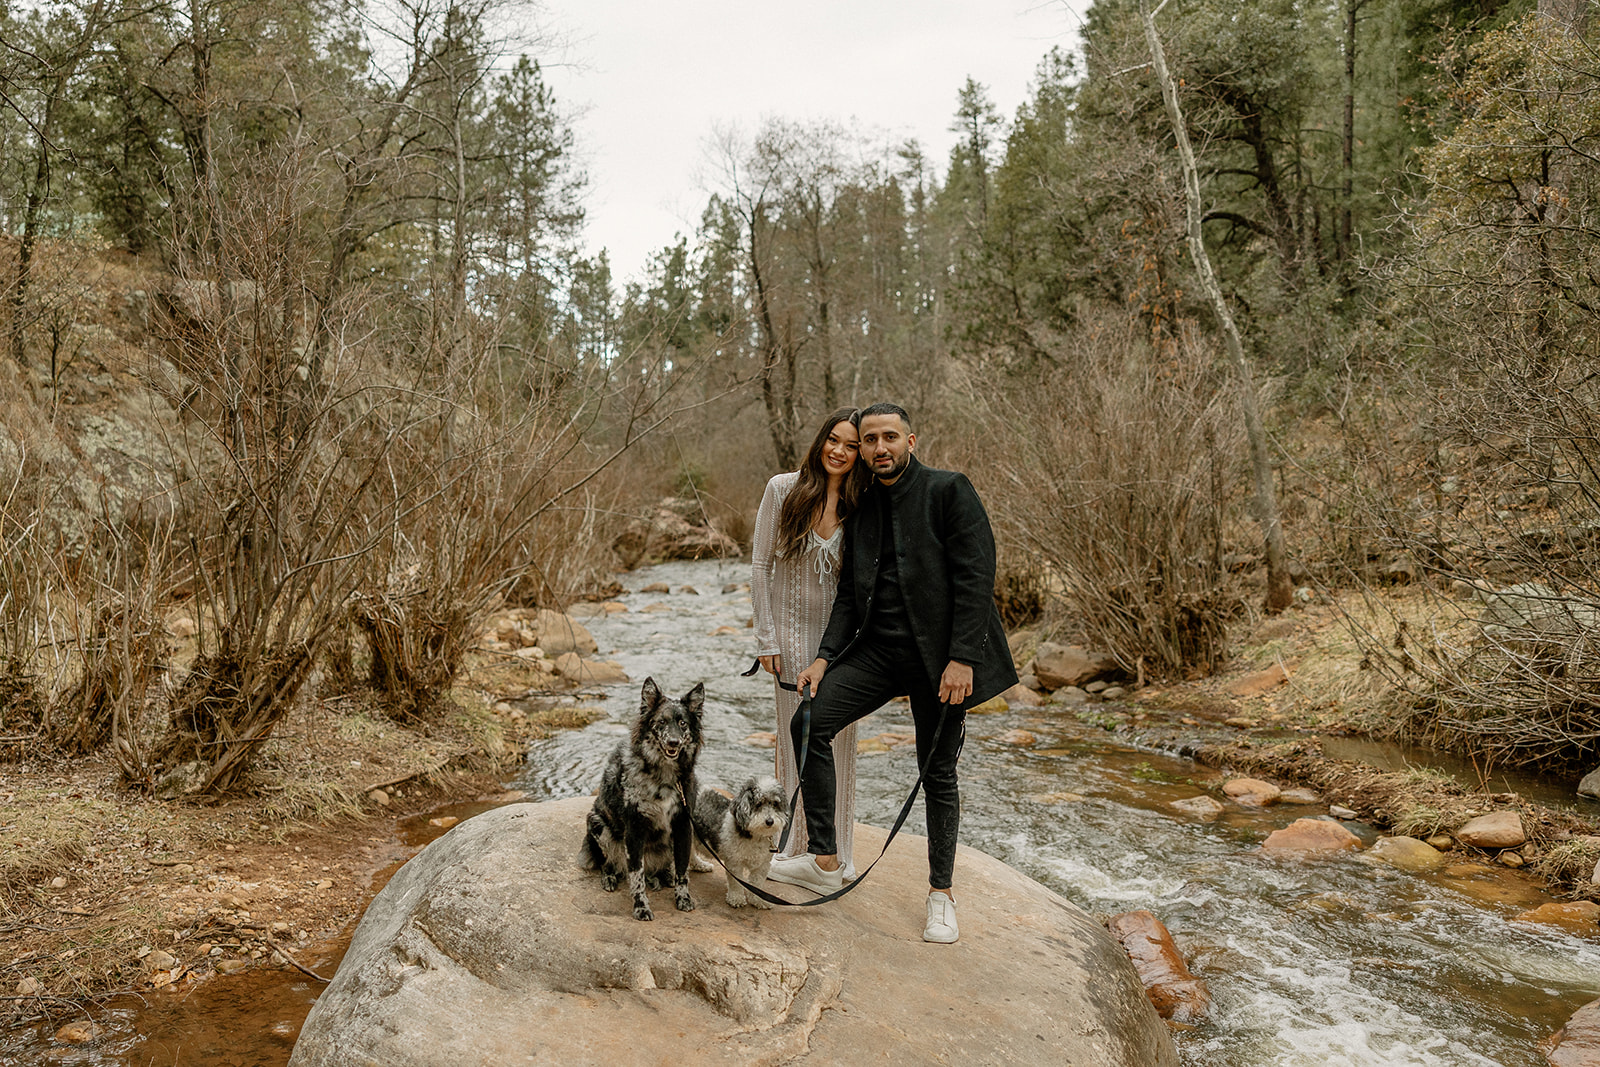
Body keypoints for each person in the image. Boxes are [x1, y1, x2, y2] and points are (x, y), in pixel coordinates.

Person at [768, 401, 1017, 944]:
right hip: (879, 654)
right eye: (870, 440)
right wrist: (823, 658)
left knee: (939, 772)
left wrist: (963, 659)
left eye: (889, 438)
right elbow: (848, 599)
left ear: (911, 441)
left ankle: (941, 896)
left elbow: (977, 579)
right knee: (809, 720)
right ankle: (825, 860)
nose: (879, 448)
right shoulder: (864, 508)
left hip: (940, 660)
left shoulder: (950, 491)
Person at [751, 408, 869, 879]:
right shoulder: (783, 489)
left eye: (852, 445)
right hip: (789, 637)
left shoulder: (862, 504)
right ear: (821, 441)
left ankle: (834, 851)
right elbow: (761, 566)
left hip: (839, 644)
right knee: (793, 742)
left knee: (838, 742)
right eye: (834, 440)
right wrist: (767, 637)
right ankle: (793, 847)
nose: (840, 451)